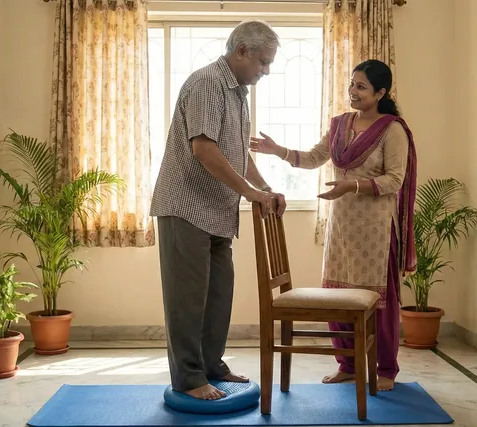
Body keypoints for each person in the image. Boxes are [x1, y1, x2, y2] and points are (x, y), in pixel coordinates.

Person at [249, 59, 417, 392]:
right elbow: (314, 157)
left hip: (378, 229)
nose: (352, 92)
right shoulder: (340, 124)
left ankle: (385, 369)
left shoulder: (392, 129)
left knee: (379, 301)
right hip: (342, 227)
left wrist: (351, 186)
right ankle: (349, 365)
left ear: (381, 92)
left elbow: (395, 180)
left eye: (361, 86)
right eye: (351, 84)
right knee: (337, 295)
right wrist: (276, 150)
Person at [149, 20, 287, 401]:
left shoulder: (237, 92)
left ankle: (211, 364)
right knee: (187, 299)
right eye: (263, 61)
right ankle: (189, 378)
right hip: (186, 206)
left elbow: (237, 153)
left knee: (218, 296)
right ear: (241, 51)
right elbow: (204, 149)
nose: (266, 70)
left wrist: (263, 189)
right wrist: (251, 194)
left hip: (217, 212)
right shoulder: (208, 82)